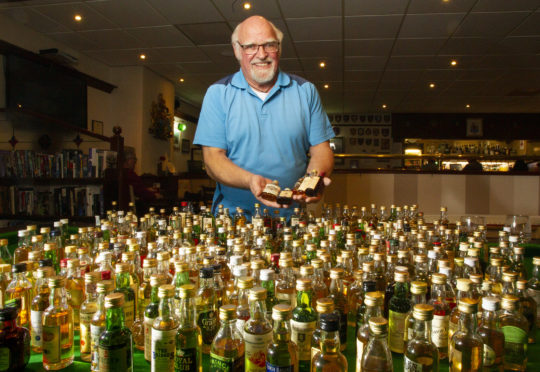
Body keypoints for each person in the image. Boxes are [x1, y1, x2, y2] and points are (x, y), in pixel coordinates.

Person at [193, 16, 334, 218]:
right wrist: (250, 180)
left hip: (291, 217)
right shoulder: (218, 94)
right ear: (237, 51)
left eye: (269, 45)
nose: (261, 54)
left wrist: (314, 179)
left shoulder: (306, 91)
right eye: (250, 46)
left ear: (279, 48)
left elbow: (322, 150)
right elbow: (212, 160)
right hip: (233, 218)